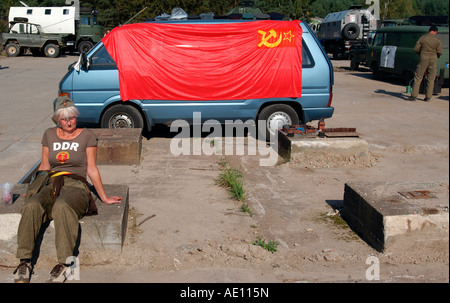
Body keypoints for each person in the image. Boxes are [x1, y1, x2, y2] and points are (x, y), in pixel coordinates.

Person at [13, 96, 122, 283]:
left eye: (71, 117)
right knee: (32, 205)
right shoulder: (49, 134)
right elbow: (45, 166)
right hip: (52, 182)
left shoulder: (87, 136)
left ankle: (64, 264)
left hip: (77, 184)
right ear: (57, 119)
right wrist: (33, 189)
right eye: (64, 118)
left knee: (63, 206)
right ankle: (25, 262)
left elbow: (91, 168)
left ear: (75, 117)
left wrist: (103, 197)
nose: (69, 122)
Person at [408, 26, 443, 102]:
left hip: (423, 58)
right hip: (433, 59)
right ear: (435, 32)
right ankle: (428, 97)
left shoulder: (423, 38)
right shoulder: (437, 40)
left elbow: (416, 49)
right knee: (431, 79)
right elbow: (440, 52)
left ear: (429, 31)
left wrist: (421, 54)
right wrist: (435, 56)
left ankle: (414, 96)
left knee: (418, 77)